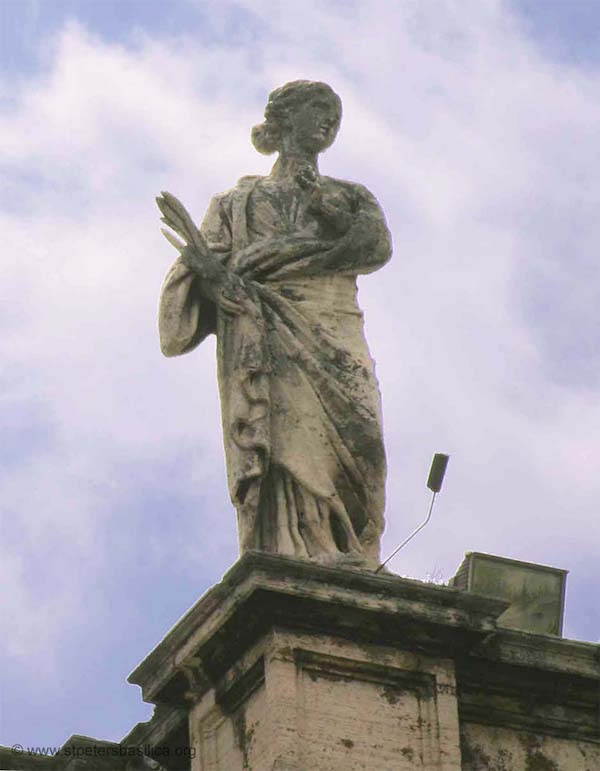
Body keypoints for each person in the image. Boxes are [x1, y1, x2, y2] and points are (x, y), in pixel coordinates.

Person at [158, 80, 391, 566]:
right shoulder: (235, 203)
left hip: (333, 327)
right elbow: (202, 273)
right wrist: (210, 275)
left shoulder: (349, 196)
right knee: (285, 440)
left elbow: (375, 247)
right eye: (318, 109)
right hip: (261, 328)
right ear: (285, 120)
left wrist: (320, 219)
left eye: (335, 113)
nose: (329, 120)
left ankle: (350, 542)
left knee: (362, 442)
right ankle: (299, 548)